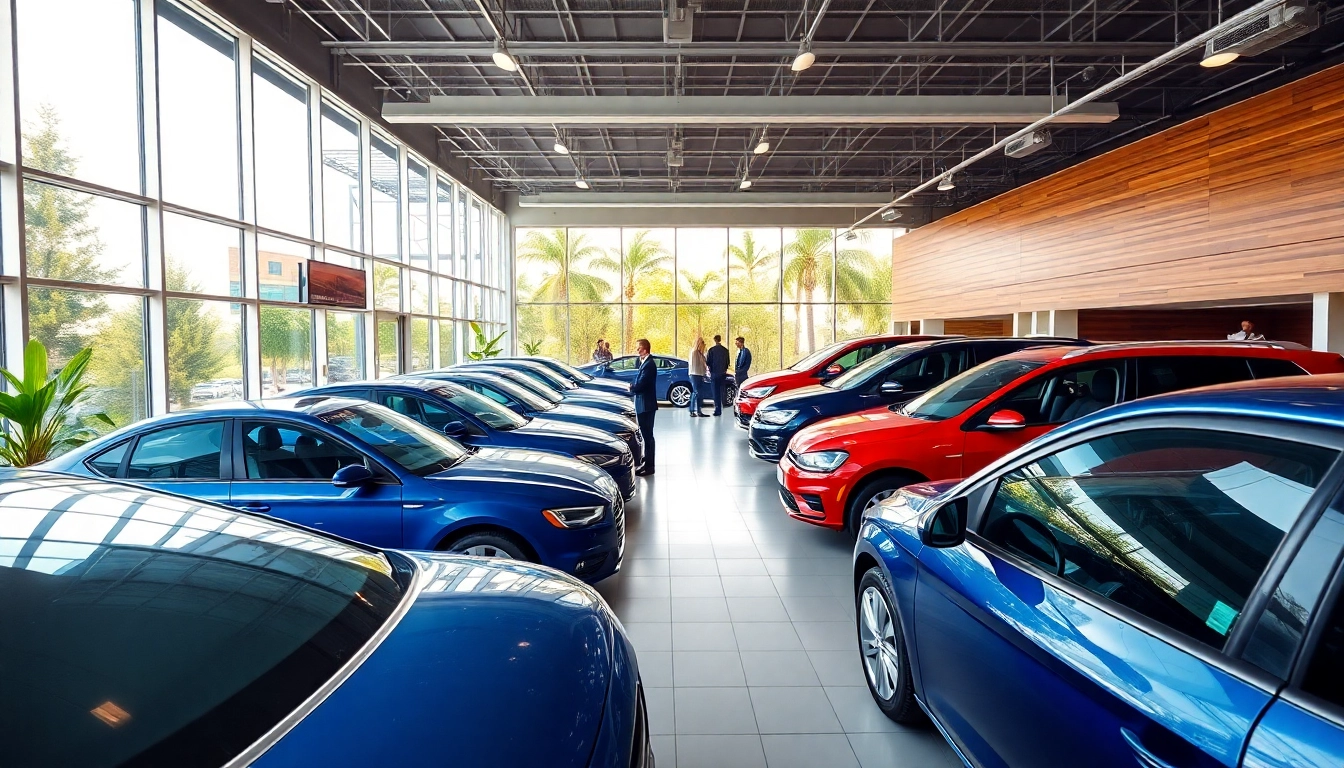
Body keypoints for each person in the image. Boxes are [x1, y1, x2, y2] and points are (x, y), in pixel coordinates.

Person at [632, 338, 657, 476]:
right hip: (644, 404)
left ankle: (649, 467)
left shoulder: (649, 365)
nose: (637, 350)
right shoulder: (645, 363)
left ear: (645, 349)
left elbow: (641, 385)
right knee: (646, 435)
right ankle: (647, 463)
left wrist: (632, 387)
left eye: (639, 348)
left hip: (646, 405)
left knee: (648, 436)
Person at [706, 334, 730, 416]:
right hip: (722, 374)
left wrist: (711, 369)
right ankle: (723, 406)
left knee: (715, 392)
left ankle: (717, 409)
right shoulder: (725, 351)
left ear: (715, 340)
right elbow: (727, 362)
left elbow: (708, 362)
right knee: (722, 391)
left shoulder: (711, 350)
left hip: (714, 374)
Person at [687, 336, 709, 417]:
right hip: (695, 374)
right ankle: (692, 410)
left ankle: (699, 411)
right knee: (696, 392)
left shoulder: (700, 353)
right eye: (702, 343)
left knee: (699, 393)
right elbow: (696, 365)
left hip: (700, 374)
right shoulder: (694, 352)